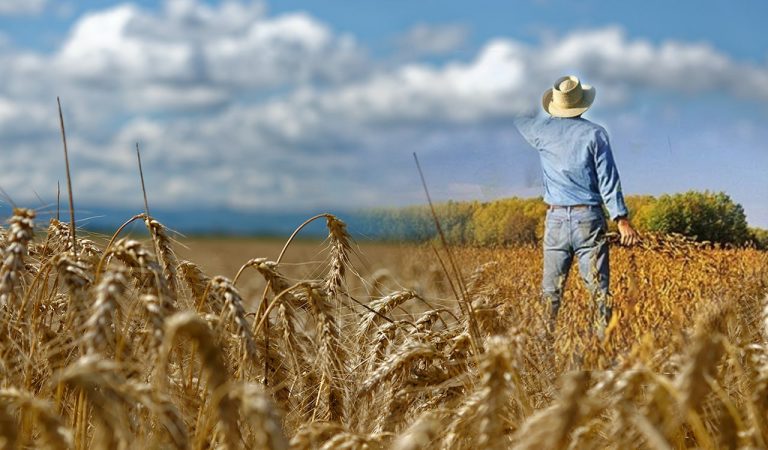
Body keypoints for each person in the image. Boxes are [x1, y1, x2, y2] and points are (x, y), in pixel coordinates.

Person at [515, 75, 639, 336]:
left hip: (556, 221)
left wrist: (528, 94)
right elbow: (608, 179)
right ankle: (601, 356)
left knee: (550, 294)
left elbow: (520, 118)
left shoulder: (541, 132)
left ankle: (541, 358)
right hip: (588, 219)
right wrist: (621, 220)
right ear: (581, 103)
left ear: (556, 104)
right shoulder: (595, 134)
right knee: (598, 293)